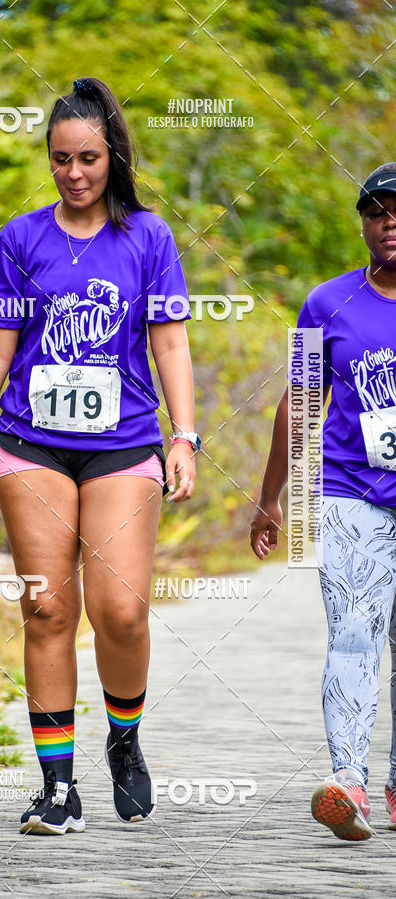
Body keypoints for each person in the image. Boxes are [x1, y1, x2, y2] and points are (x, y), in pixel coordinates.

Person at [0, 77, 200, 835]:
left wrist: (184, 435)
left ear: (112, 156)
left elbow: (170, 340)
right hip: (31, 444)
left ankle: (123, 738)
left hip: (123, 446)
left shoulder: (148, 237)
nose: (75, 173)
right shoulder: (21, 237)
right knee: (46, 604)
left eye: (88, 157)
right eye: (61, 159)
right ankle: (57, 789)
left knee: (119, 611)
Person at [250, 162, 396, 841]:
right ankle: (349, 783)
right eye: (376, 210)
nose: (388, 220)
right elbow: (301, 399)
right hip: (351, 493)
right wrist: (270, 497)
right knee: (353, 637)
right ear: (362, 222)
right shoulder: (326, 302)